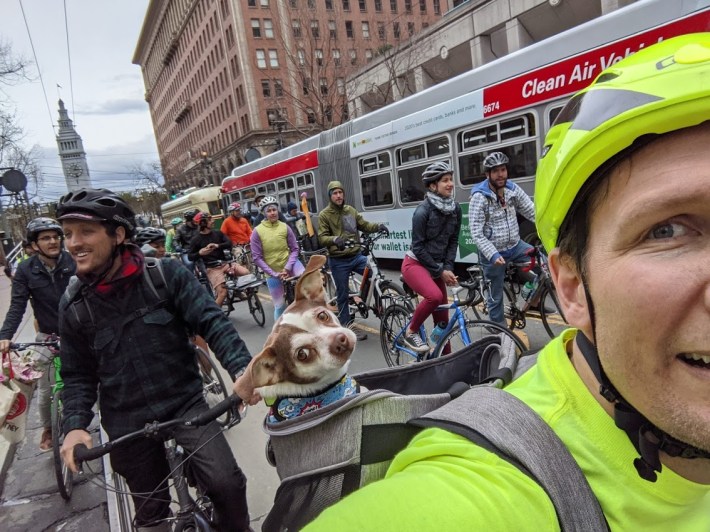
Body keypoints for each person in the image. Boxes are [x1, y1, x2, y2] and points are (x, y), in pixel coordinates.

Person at [305, 34, 710, 529]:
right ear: (576, 286)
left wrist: (514, 252)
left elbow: (501, 222)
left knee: (517, 266)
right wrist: (474, 260)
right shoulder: (454, 206)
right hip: (418, 263)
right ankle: (457, 326)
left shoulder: (498, 195)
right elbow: (450, 241)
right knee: (438, 294)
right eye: (666, 231)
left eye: (496, 171)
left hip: (463, 255)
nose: (489, 178)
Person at [55, 188, 255, 531]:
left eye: (85, 231)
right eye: (68, 234)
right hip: (127, 422)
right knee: (151, 518)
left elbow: (212, 321)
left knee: (227, 484)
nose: (73, 243)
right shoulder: (73, 306)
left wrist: (243, 370)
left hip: (186, 406)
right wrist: (74, 426)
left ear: (117, 235)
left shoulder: (164, 275)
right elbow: (77, 375)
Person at [0, 218, 75, 452]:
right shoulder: (25, 270)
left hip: (82, 332)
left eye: (56, 236)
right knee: (45, 391)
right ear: (34, 244)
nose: (53, 241)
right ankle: (49, 429)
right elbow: (17, 306)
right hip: (48, 336)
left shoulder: (73, 261)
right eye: (45, 238)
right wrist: (5, 335)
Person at [469, 151, 536, 326]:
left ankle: (531, 299)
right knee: (495, 296)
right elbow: (476, 232)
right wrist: (491, 254)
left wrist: (551, 225)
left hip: (515, 245)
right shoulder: (480, 197)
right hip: (493, 252)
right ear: (487, 174)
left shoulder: (512, 190)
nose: (501, 175)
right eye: (496, 171)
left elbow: (531, 210)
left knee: (544, 267)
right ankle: (499, 332)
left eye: (503, 170)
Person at [400, 162, 461, 355]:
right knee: (434, 297)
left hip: (438, 266)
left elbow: (453, 241)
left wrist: (448, 267)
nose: (450, 184)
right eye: (445, 180)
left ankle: (445, 358)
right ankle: (411, 331)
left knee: (443, 321)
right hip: (415, 263)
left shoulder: (455, 209)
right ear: (433, 186)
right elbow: (417, 247)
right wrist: (440, 271)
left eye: (451, 179)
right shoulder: (422, 211)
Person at [318, 180, 388, 341]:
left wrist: (378, 226)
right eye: (334, 193)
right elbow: (322, 238)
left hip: (356, 256)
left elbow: (364, 225)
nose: (338, 195)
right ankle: (346, 329)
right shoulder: (324, 215)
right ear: (330, 196)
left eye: (340, 192)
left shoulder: (350, 210)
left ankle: (374, 305)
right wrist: (335, 239)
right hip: (338, 260)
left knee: (374, 274)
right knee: (342, 295)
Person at [250, 196, 305, 320]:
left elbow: (295, 249)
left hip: (289, 264)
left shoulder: (285, 226)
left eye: (274, 210)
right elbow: (257, 258)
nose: (272, 213)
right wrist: (274, 273)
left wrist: (287, 267)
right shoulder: (257, 231)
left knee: (306, 280)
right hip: (272, 272)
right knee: (279, 306)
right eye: (269, 211)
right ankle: (277, 335)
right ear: (264, 213)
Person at [188, 211, 249, 308]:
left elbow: (229, 243)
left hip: (226, 264)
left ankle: (239, 291)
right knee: (222, 293)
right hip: (212, 268)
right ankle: (216, 316)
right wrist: (200, 253)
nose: (213, 221)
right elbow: (190, 256)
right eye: (210, 219)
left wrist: (217, 245)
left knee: (246, 273)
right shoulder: (196, 239)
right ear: (203, 223)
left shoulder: (218, 233)